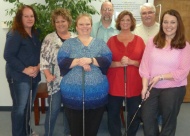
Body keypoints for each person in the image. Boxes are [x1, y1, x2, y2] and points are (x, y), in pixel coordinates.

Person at [57, 13, 112, 136]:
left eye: (87, 24)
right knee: (75, 129)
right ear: (76, 27)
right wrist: (79, 61)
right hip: (72, 94)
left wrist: (91, 60)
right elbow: (62, 61)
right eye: (81, 24)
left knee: (92, 128)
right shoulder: (69, 43)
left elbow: (107, 59)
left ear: (91, 26)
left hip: (97, 93)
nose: (84, 27)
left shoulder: (100, 43)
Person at [139, 9, 190, 136]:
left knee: (168, 121)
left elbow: (183, 71)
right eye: (165, 22)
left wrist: (161, 77)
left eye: (172, 22)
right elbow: (145, 66)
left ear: (178, 25)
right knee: (147, 117)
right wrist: (144, 87)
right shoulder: (152, 41)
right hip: (152, 87)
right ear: (161, 24)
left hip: (174, 87)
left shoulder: (184, 45)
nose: (168, 26)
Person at [3, 5, 41, 136]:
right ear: (20, 18)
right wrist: (25, 69)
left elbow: (40, 53)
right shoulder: (15, 33)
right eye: (26, 16)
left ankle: (26, 131)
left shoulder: (36, 33)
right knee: (20, 108)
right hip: (19, 77)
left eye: (32, 16)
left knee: (27, 108)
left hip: (34, 75)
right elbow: (8, 55)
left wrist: (38, 67)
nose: (30, 18)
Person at [107, 10, 145, 136]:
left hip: (134, 83)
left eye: (128, 20)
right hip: (114, 83)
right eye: (122, 20)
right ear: (119, 22)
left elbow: (145, 63)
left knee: (134, 113)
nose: (125, 22)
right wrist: (118, 63)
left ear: (132, 22)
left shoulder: (139, 41)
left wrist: (132, 62)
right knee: (113, 113)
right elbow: (105, 62)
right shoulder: (111, 41)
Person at [40, 8, 77, 136]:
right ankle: (48, 134)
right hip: (55, 81)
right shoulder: (49, 38)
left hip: (72, 81)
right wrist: (47, 75)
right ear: (54, 23)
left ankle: (68, 133)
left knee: (70, 110)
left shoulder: (75, 37)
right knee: (54, 109)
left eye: (63, 21)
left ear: (68, 22)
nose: (60, 24)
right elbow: (43, 59)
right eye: (57, 21)